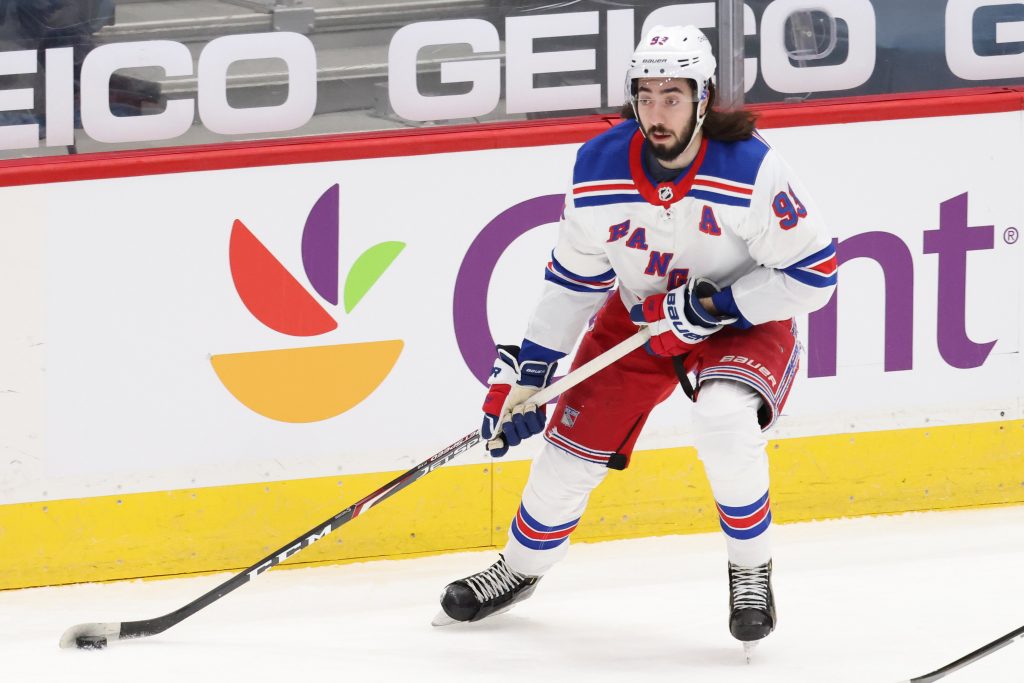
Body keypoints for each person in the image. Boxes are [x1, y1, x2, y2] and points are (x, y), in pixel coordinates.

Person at [435, 24, 837, 650]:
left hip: (741, 321)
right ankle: (517, 570)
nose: (657, 111)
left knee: (723, 418)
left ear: (704, 99)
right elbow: (572, 282)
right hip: (639, 322)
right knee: (566, 458)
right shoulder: (597, 167)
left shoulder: (754, 168)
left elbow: (814, 274)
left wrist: (720, 304)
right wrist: (531, 380)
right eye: (645, 95)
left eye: (673, 96)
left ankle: (751, 570)